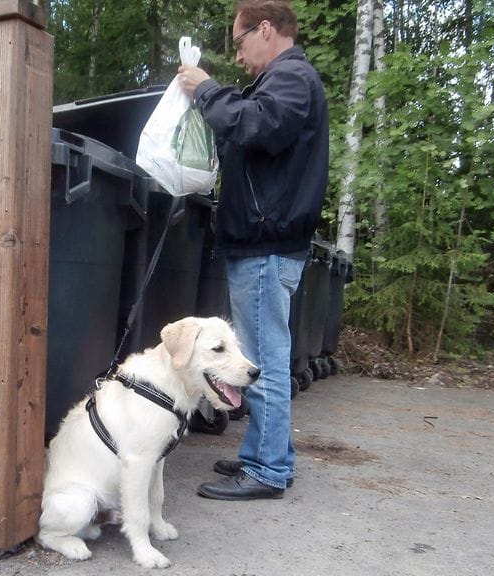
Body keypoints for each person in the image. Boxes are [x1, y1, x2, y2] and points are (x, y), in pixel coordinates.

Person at [178, 0, 329, 500]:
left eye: (240, 43)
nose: (239, 56)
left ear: (266, 29)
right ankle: (267, 456)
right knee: (263, 357)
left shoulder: (291, 78)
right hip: (263, 241)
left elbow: (257, 125)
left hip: (266, 243)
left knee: (261, 361)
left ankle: (267, 470)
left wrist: (206, 89)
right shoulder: (281, 81)